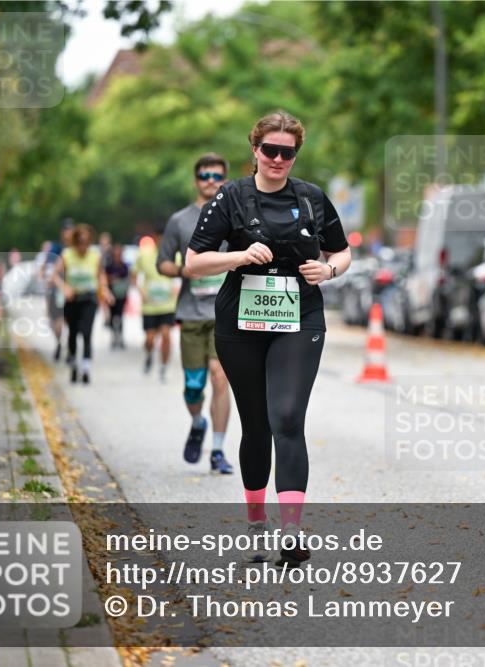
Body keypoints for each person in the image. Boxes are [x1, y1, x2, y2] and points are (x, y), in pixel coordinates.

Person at [186, 111, 352, 565]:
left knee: (287, 416)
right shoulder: (231, 198)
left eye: (288, 152)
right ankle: (257, 525)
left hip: (299, 316)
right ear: (254, 150)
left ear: (296, 154)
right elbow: (194, 261)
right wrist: (238, 255)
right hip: (240, 321)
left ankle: (292, 531)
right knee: (256, 424)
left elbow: (341, 250)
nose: (278, 159)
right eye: (270, 150)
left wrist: (330, 269)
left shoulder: (313, 198)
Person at [157, 153, 234, 474]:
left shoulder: (236, 217)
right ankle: (198, 421)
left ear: (225, 180)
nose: (210, 182)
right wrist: (182, 271)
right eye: (204, 176)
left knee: (220, 377)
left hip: (224, 312)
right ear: (196, 181)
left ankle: (217, 450)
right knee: (193, 385)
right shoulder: (180, 221)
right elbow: (161, 264)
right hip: (190, 313)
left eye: (216, 176)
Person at [53, 223, 111, 383]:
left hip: (89, 298)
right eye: (80, 243)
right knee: (72, 333)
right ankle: (73, 363)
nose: (83, 247)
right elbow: (55, 276)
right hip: (72, 299)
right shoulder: (67, 255)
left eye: (86, 243)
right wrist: (64, 287)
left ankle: (85, 367)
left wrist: (105, 290)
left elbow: (100, 275)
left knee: (86, 332)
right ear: (75, 242)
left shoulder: (95, 256)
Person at [134, 231, 177, 382]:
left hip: (167, 305)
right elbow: (133, 276)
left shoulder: (175, 255)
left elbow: (182, 273)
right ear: (155, 238)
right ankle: (148, 355)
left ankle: (164, 367)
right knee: (150, 339)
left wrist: (176, 287)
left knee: (166, 335)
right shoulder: (144, 255)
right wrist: (141, 292)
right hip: (150, 306)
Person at [42, 220, 73, 361]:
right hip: (56, 288)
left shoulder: (76, 248)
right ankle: (60, 343)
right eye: (67, 230)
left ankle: (69, 348)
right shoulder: (55, 248)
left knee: (70, 321)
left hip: (72, 289)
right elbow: (46, 267)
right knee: (55, 321)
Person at [104, 243, 130, 349]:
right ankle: (114, 337)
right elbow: (105, 278)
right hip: (112, 294)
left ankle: (120, 337)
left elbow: (127, 279)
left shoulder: (124, 266)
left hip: (121, 295)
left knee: (119, 317)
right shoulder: (109, 266)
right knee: (112, 317)